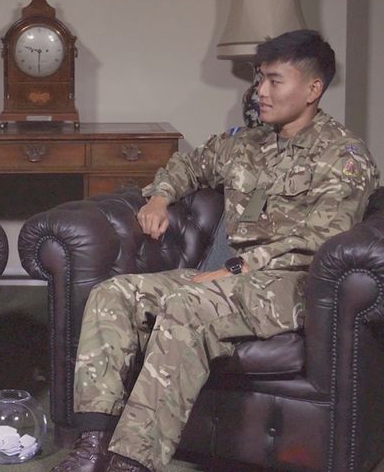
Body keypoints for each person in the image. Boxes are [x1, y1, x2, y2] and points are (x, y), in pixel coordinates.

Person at [52, 30, 379, 472]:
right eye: (260, 79)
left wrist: (239, 267)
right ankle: (94, 446)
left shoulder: (344, 156)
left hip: (292, 284)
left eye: (275, 81)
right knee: (113, 294)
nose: (261, 91)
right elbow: (188, 164)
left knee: (188, 304)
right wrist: (159, 198)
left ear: (313, 89)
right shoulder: (245, 143)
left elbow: (324, 239)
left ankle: (132, 462)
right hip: (227, 279)